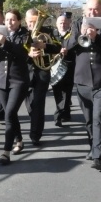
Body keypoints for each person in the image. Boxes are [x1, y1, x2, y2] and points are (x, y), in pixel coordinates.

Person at [62, 0, 101, 171]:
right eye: (89, 10)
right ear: (85, 10)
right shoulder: (78, 24)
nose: (92, 13)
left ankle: (97, 156)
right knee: (88, 120)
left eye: (95, 10)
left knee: (98, 117)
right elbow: (67, 44)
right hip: (82, 80)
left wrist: (96, 38)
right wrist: (80, 33)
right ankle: (93, 146)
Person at [0, 9, 30, 165]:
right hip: (1, 80)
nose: (10, 23)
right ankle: (19, 140)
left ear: (19, 21)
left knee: (10, 113)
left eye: (13, 20)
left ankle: (5, 152)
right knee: (10, 114)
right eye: (7, 20)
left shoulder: (25, 35)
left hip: (18, 81)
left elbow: (21, 52)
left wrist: (5, 42)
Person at [25, 8, 61, 146]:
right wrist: (28, 53)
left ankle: (35, 134)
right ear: (25, 21)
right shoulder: (22, 33)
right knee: (30, 105)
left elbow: (58, 47)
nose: (33, 25)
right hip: (26, 72)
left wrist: (44, 45)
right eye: (30, 22)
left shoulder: (48, 32)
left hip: (42, 72)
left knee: (38, 104)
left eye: (35, 22)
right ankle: (35, 121)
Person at [51, 12, 75, 126]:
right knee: (57, 91)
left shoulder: (73, 35)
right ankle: (61, 112)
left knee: (67, 91)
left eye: (65, 22)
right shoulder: (52, 34)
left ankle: (61, 113)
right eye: (60, 22)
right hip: (55, 66)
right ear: (56, 24)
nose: (63, 25)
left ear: (69, 23)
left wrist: (68, 51)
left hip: (69, 66)